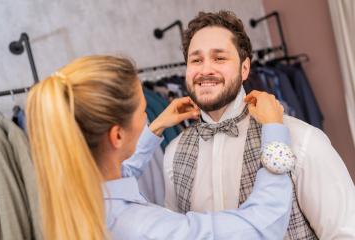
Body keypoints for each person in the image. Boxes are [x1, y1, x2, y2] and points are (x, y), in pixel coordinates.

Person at [26, 55, 295, 240]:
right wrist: (274, 132)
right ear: (116, 136)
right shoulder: (146, 230)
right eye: (143, 111)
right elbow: (262, 227)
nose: (146, 117)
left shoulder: (78, 200)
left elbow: (122, 176)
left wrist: (155, 129)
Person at [163, 10, 355, 239]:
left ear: (245, 68)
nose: (205, 69)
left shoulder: (302, 140)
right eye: (196, 60)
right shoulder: (173, 153)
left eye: (219, 58)